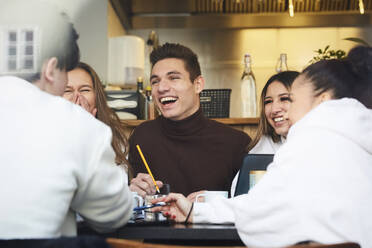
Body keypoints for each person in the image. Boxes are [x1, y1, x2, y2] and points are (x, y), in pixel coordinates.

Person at [152, 45, 372, 247]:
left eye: (291, 100)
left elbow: (258, 214)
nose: (283, 110)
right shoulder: (354, 136)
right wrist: (194, 211)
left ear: (322, 100)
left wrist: (194, 211)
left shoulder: (311, 139)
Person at [0, 0, 132, 238]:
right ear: (51, 70)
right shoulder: (77, 124)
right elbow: (114, 215)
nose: (66, 92)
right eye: (66, 80)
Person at [129, 43, 251, 197]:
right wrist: (134, 193)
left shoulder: (236, 143)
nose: (161, 88)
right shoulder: (142, 136)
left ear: (198, 84)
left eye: (173, 78)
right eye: (155, 81)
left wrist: (210, 205)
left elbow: (247, 206)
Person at [230, 71, 299, 196]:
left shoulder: (325, 142)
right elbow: (241, 195)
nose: (274, 109)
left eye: (284, 99)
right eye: (268, 101)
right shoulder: (264, 145)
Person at [63, 62, 131, 174]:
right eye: (67, 90)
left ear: (96, 96)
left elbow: (115, 183)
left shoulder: (116, 138)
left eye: (85, 90)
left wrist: (90, 132)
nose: (77, 97)